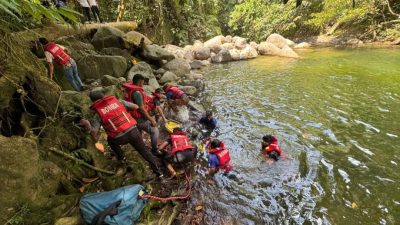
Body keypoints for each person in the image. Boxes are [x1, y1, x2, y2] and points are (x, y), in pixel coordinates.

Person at [80, 90, 164, 176]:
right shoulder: (119, 101)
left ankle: (122, 158)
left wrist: (87, 125)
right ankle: (158, 172)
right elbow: (135, 107)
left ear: (93, 102)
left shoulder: (97, 114)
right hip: (133, 132)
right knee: (144, 151)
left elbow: (94, 133)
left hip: (119, 138)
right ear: (104, 96)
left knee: (110, 141)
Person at [122, 74, 162, 156]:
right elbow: (141, 109)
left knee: (139, 132)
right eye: (143, 82)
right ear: (139, 82)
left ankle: (140, 147)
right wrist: (151, 119)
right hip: (138, 118)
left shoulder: (129, 88)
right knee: (155, 130)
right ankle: (154, 150)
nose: (143, 84)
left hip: (130, 116)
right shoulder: (137, 93)